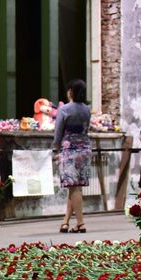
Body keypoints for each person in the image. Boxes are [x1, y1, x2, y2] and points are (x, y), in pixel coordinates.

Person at [53, 79, 92, 234]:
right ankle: (65, 222)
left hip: (69, 150)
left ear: (71, 92)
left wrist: (56, 147)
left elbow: (58, 132)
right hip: (85, 149)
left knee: (73, 187)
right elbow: (86, 129)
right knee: (75, 188)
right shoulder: (87, 109)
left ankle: (81, 223)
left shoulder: (65, 109)